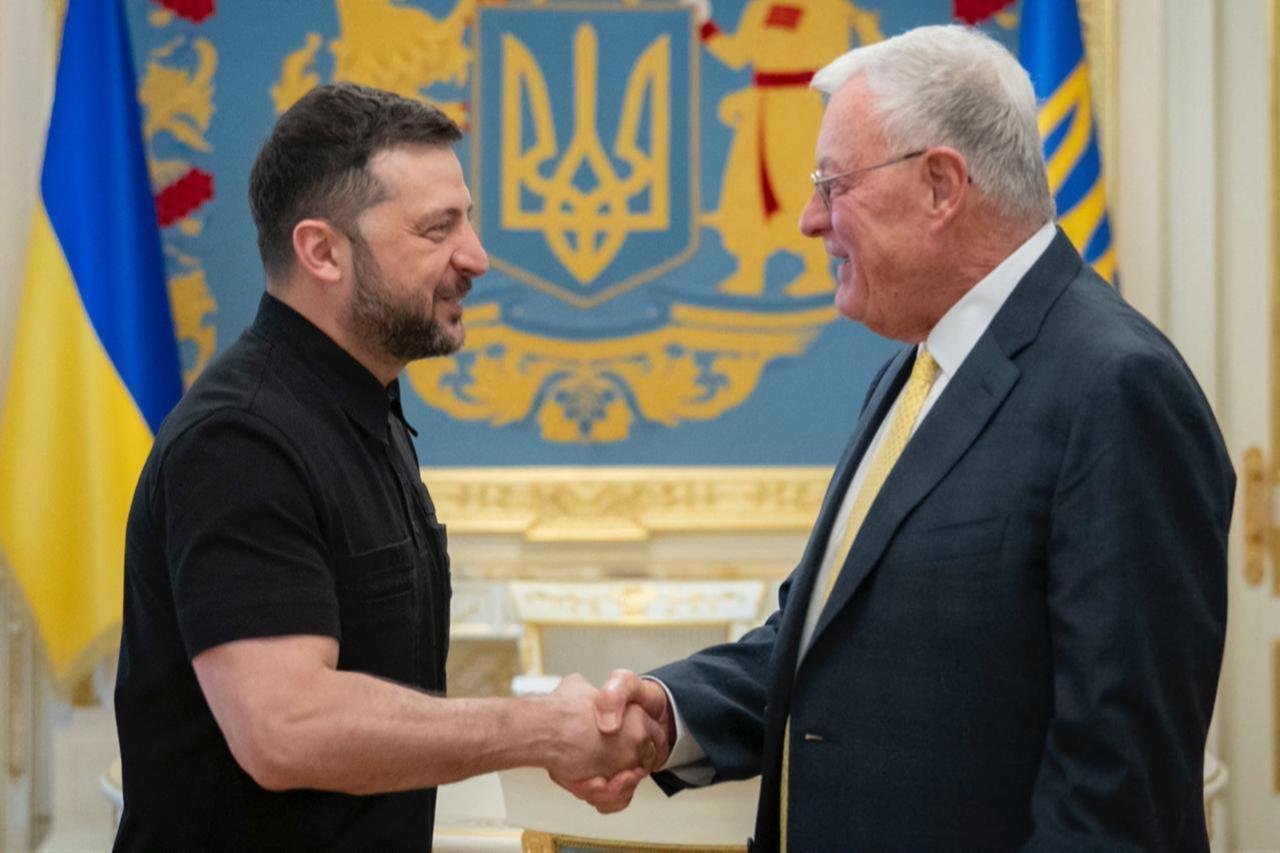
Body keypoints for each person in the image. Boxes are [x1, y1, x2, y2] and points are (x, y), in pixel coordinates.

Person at [577, 25, 1235, 852]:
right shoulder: (916, 368)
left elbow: (1119, 777)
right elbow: (826, 641)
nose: (811, 219)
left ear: (939, 185)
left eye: (833, 183)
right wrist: (668, 715)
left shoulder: (1115, 388)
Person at [113, 83, 666, 851]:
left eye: (466, 219)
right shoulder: (240, 440)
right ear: (322, 251)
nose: (475, 255)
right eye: (438, 228)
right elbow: (287, 729)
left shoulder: (363, 410)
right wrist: (538, 729)